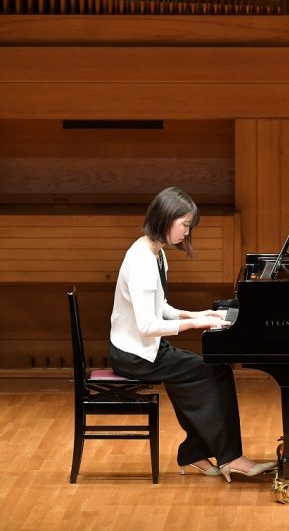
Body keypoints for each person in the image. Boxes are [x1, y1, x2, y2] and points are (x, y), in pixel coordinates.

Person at [107, 186, 274, 483]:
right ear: (165, 218)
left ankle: (194, 454)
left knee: (200, 374)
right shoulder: (142, 263)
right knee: (215, 372)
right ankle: (230, 457)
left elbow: (162, 308)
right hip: (135, 355)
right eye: (184, 225)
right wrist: (195, 325)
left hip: (146, 348)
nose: (187, 232)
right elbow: (147, 326)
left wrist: (199, 315)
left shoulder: (155, 253)